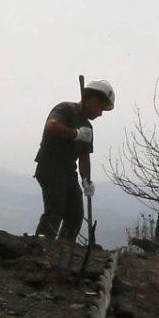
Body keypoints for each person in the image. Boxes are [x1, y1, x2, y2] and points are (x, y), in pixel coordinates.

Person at [35, 78, 114, 242]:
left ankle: (64, 246)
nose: (100, 114)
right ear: (93, 100)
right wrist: (76, 134)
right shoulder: (65, 109)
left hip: (68, 172)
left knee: (75, 215)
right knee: (55, 210)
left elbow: (84, 156)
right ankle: (41, 246)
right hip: (50, 166)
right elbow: (51, 126)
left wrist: (86, 180)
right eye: (101, 108)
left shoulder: (88, 128)